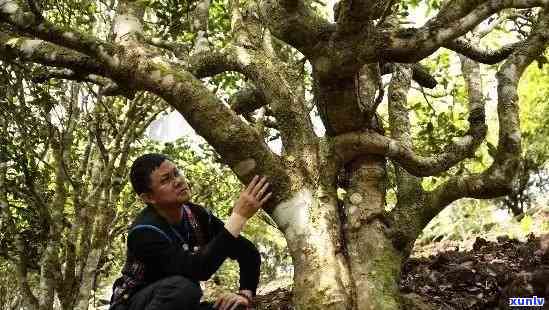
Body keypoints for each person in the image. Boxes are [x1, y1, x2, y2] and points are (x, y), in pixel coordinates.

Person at [109, 153, 272, 310]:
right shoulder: (144, 233)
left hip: (179, 302)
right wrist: (238, 217)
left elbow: (247, 252)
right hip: (135, 303)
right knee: (183, 288)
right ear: (149, 198)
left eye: (176, 173)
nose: (178, 181)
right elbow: (198, 269)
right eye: (166, 180)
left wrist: (244, 295)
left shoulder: (197, 215)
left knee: (236, 307)